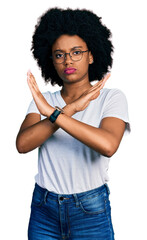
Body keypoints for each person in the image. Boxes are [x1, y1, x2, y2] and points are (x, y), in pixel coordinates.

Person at [16, 7, 130, 240]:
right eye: (59, 54)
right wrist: (69, 110)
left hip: (90, 211)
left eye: (76, 52)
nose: (68, 60)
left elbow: (108, 145)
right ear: (52, 61)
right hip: (43, 210)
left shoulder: (111, 98)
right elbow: (23, 144)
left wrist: (54, 115)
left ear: (91, 55)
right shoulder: (44, 101)